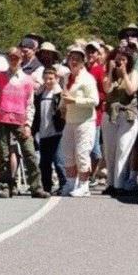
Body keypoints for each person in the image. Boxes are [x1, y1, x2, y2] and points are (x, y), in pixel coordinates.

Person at [0, 47, 51, 199]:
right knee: (4, 154)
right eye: (11, 57)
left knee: (29, 152)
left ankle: (36, 186)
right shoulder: (0, 77)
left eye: (16, 57)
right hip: (2, 119)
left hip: (20, 119)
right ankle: (7, 185)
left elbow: (30, 104)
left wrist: (28, 124)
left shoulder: (27, 79)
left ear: (21, 59)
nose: (13, 60)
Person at [60, 46, 100, 197]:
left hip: (85, 121)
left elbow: (94, 100)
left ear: (83, 62)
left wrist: (75, 100)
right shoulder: (67, 77)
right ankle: (71, 183)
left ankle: (84, 185)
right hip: (70, 120)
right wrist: (62, 107)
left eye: (77, 59)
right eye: (72, 58)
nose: (74, 61)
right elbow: (65, 97)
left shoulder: (87, 79)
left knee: (82, 153)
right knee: (68, 152)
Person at [102, 50, 138, 194]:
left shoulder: (133, 74)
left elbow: (131, 91)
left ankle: (119, 184)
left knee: (123, 148)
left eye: (123, 60)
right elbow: (107, 89)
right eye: (117, 60)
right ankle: (110, 184)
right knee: (110, 151)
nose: (120, 63)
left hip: (127, 116)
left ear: (128, 61)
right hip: (110, 115)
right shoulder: (110, 74)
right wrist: (111, 71)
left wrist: (124, 74)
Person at [118, 24, 138, 191]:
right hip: (123, 97)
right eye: (127, 35)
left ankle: (133, 176)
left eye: (134, 35)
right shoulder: (121, 53)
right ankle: (120, 174)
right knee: (121, 138)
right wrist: (119, 51)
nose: (130, 38)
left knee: (137, 140)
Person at [32, 67, 66, 194]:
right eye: (45, 78)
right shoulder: (40, 94)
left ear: (56, 79)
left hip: (57, 132)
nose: (48, 81)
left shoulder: (59, 93)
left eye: (51, 78)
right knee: (44, 162)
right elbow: (36, 114)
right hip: (43, 133)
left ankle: (64, 185)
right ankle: (46, 187)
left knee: (59, 161)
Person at [85, 41, 106, 188]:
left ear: (98, 54)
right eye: (89, 52)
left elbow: (104, 92)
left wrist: (94, 98)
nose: (91, 54)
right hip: (83, 112)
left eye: (93, 52)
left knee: (94, 149)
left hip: (96, 113)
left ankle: (92, 174)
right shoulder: (84, 69)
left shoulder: (99, 70)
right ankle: (87, 176)